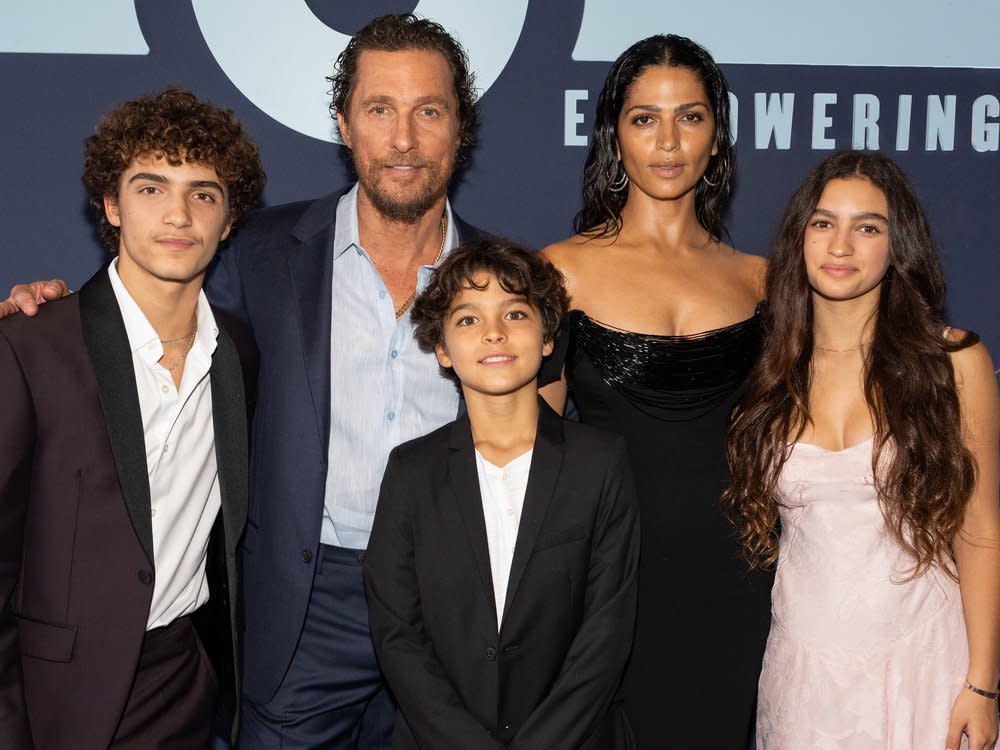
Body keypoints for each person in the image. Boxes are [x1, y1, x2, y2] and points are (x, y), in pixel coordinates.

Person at [0, 14, 490, 749]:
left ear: (460, 127)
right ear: (344, 124)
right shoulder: (266, 253)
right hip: (300, 608)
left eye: (429, 110)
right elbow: (142, 299)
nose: (404, 138)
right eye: (380, 109)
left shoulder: (506, 281)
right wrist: (45, 311)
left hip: (446, 606)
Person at [0, 88, 264, 749]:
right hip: (52, 695)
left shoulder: (239, 352)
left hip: (182, 684)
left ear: (229, 220)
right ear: (112, 206)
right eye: (151, 188)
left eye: (204, 193)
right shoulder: (31, 345)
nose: (178, 214)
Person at [724, 150, 1000, 750]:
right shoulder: (770, 369)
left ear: (897, 244)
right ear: (800, 236)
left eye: (867, 227)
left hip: (925, 664)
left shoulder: (952, 364)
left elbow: (980, 532)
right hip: (803, 675)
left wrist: (982, 685)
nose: (840, 245)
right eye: (823, 223)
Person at [540, 34, 772, 746]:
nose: (668, 141)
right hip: (609, 577)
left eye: (690, 117)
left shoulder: (761, 279)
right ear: (615, 133)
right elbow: (525, 454)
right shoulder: (560, 272)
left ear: (717, 134)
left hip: (735, 577)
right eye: (645, 118)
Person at [364, 238, 639, 749]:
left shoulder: (600, 463)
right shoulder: (411, 472)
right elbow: (397, 632)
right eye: (468, 320)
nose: (493, 333)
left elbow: (606, 633)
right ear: (442, 349)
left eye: (515, 314)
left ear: (547, 337)